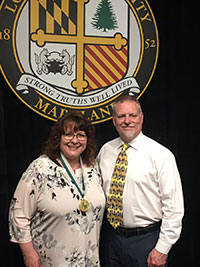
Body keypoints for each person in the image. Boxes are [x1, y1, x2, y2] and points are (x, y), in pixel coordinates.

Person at [9, 111, 105, 267]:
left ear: (87, 140)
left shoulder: (93, 168)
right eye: (68, 134)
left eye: (80, 135)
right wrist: (28, 254)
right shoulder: (39, 169)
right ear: (58, 138)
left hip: (89, 260)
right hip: (51, 261)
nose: (74, 140)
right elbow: (18, 214)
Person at [97, 95, 184, 267]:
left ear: (141, 118)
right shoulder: (105, 151)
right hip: (112, 240)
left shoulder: (161, 155)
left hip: (147, 241)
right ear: (114, 121)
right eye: (121, 116)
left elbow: (174, 208)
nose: (127, 121)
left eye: (132, 115)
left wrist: (162, 248)